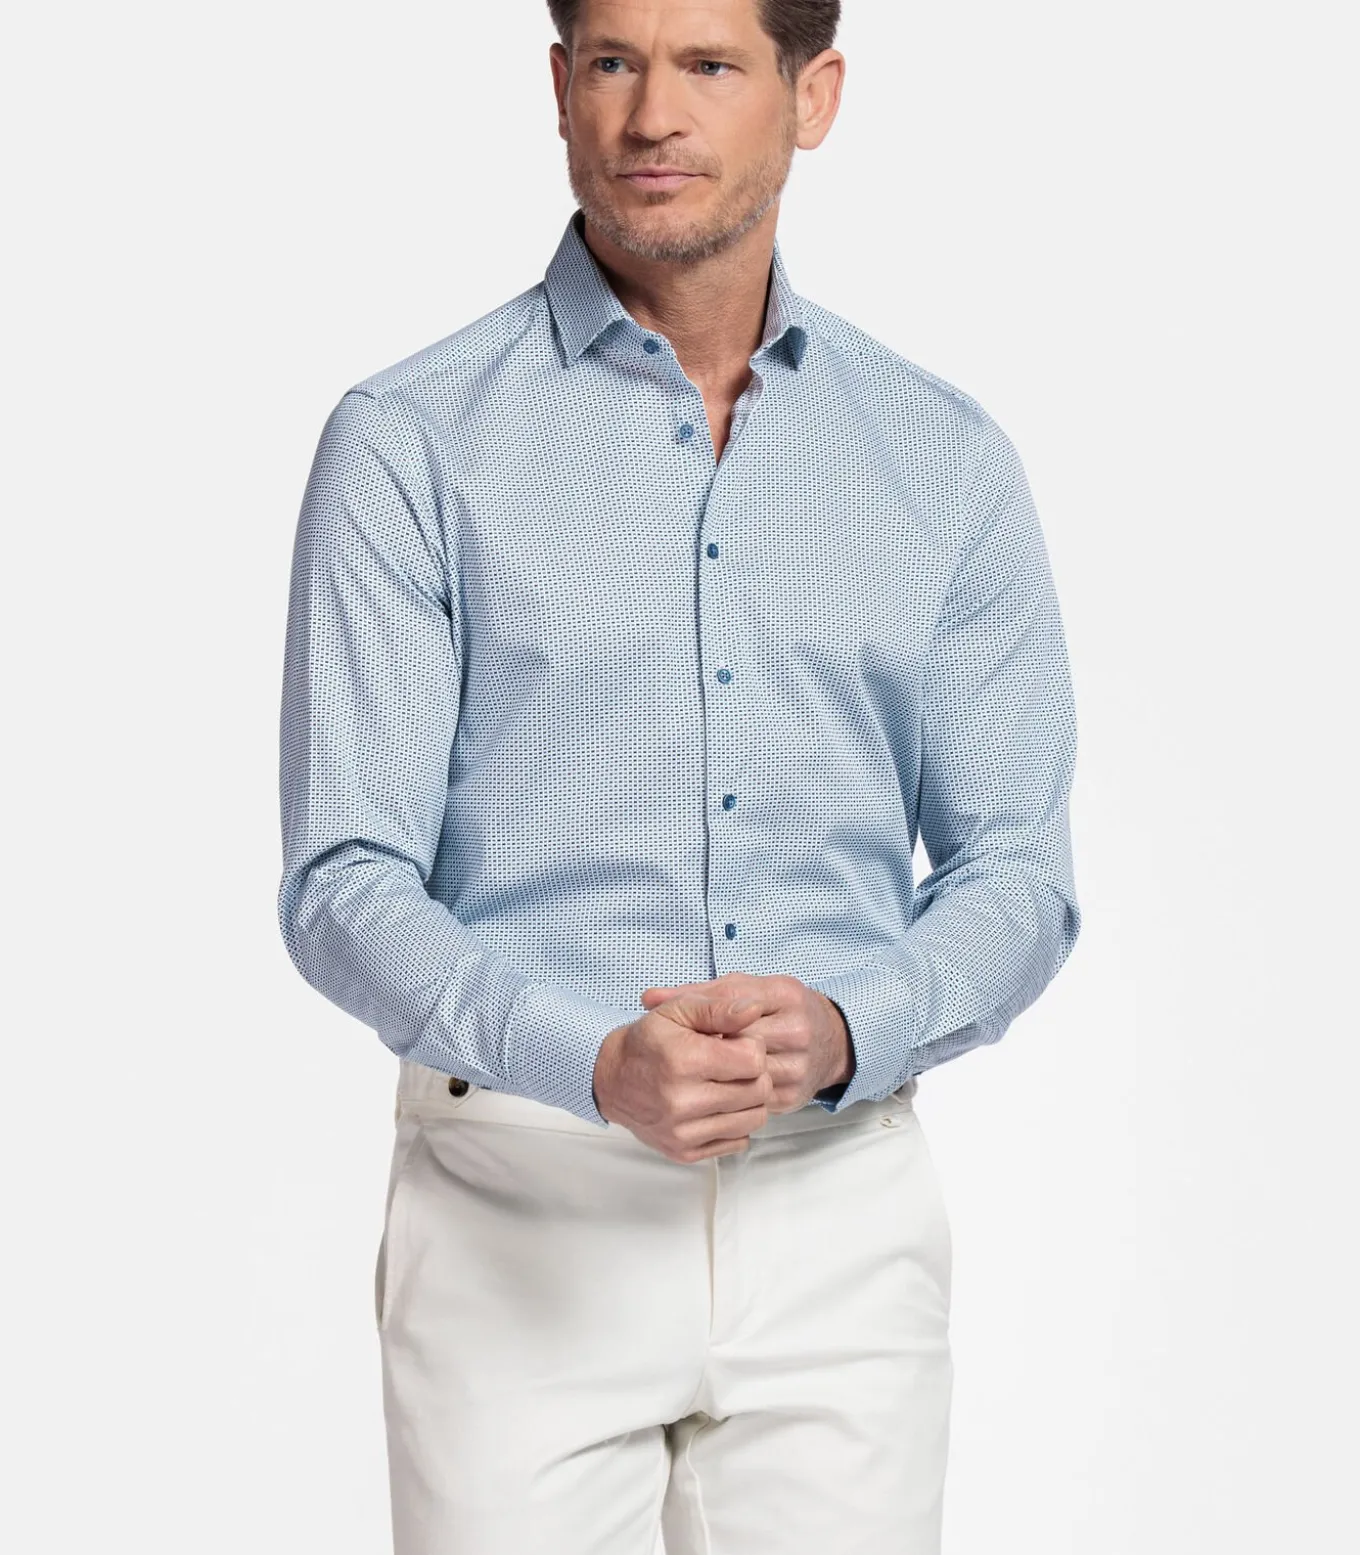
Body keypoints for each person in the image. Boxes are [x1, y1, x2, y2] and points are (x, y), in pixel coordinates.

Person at [275, 1, 1082, 1550]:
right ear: (560, 87)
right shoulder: (410, 443)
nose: (652, 114)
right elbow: (344, 880)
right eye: (613, 62)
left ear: (812, 95)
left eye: (710, 64)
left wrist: (846, 1026)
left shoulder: (944, 460)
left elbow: (1018, 869)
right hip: (521, 1203)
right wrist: (591, 1059)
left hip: (838, 1211)